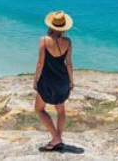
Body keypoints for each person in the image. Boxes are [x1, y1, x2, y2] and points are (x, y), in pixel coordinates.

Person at [33, 10, 74, 152]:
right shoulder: (68, 42)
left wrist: (35, 80)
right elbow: (69, 64)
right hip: (62, 80)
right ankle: (58, 139)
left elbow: (40, 64)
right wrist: (71, 81)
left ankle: (56, 138)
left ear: (51, 25)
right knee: (61, 110)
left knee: (39, 109)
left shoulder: (44, 40)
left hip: (47, 81)